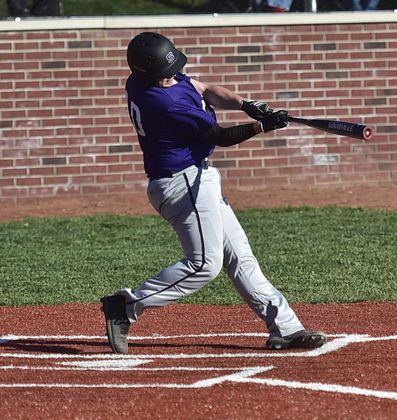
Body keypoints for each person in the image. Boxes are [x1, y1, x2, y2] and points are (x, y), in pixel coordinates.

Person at [100, 32, 326, 354]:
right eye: (164, 76)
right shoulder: (165, 102)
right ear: (147, 74)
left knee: (240, 256)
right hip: (182, 184)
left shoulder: (145, 79)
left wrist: (248, 106)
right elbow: (220, 136)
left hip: (196, 178)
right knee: (205, 263)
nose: (170, 78)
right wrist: (262, 126)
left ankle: (285, 328)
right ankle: (127, 306)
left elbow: (203, 89)